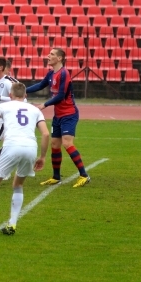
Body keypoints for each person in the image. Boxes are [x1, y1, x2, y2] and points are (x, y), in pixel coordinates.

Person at [0, 82, 50, 236]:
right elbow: (46, 134)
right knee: (18, 184)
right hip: (30, 148)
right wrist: (42, 157)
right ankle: (12, 224)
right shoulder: (35, 110)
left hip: (11, 145)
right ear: (26, 95)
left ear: (10, 95)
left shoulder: (2, 106)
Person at [26, 48, 90, 188]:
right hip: (58, 115)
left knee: (67, 143)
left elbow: (61, 95)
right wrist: (23, 90)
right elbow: (40, 85)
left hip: (69, 114)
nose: (48, 56)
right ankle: (56, 176)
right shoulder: (51, 73)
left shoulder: (64, 73)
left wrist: (44, 104)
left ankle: (84, 175)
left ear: (60, 58)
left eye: (52, 54)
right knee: (55, 144)